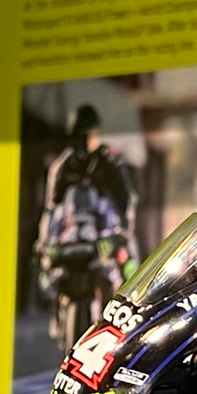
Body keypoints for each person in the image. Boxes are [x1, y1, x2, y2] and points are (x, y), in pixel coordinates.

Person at [36, 103, 136, 274]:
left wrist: (121, 234)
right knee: (44, 271)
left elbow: (125, 201)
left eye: (89, 134)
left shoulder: (110, 163)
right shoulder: (62, 166)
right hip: (72, 237)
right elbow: (51, 209)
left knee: (128, 264)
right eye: (79, 135)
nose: (84, 141)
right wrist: (45, 240)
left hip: (105, 233)